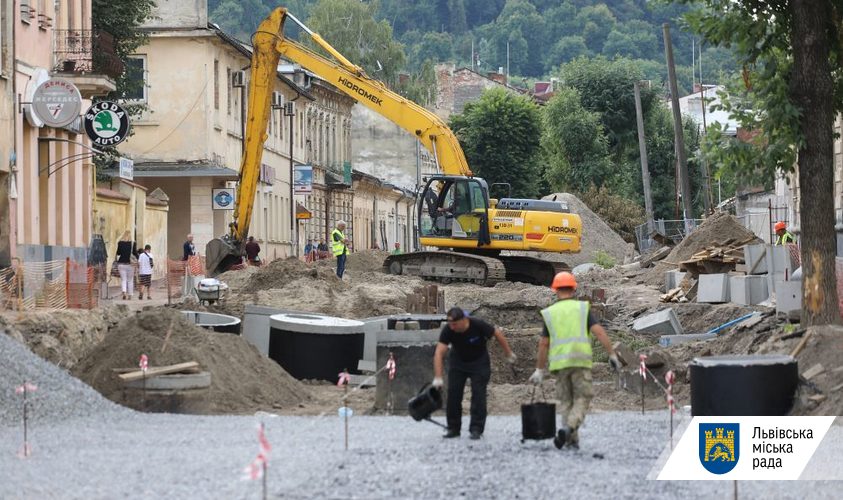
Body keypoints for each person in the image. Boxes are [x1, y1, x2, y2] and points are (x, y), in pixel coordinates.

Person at [529, 272, 621, 450]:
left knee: (566, 402)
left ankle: (571, 441)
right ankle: (569, 428)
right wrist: (612, 354)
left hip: (559, 365)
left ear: (555, 290)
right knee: (583, 397)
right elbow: (599, 332)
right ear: (573, 289)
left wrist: (539, 369)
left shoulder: (550, 313)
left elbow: (543, 344)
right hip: (580, 362)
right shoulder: (582, 309)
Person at [432, 307, 516, 440]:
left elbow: (497, 334)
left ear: (463, 320)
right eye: (450, 324)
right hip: (458, 363)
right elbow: (439, 353)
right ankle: (453, 428)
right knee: (453, 395)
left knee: (478, 395)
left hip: (479, 363)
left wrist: (508, 353)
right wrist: (438, 377)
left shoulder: (477, 324)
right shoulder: (448, 329)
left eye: (455, 324)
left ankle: (476, 428)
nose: (452, 327)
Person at [115, 231, 136, 300]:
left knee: (123, 279)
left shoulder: (120, 243)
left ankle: (124, 292)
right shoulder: (133, 243)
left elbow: (118, 253)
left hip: (121, 264)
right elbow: (135, 253)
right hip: (130, 264)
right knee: (130, 280)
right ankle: (130, 295)